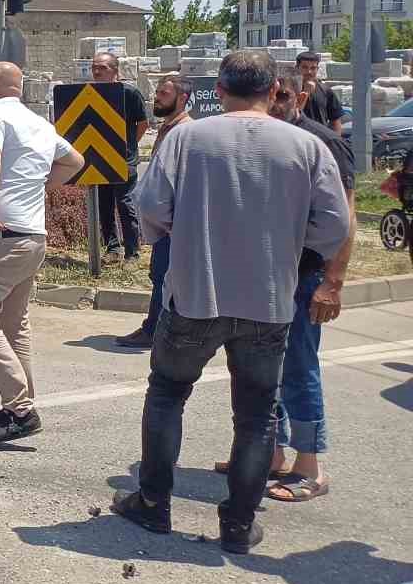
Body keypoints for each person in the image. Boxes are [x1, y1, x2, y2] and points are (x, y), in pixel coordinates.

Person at [111, 51, 350, 555]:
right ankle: (238, 525)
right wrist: (286, 235)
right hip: (268, 300)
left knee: (167, 394)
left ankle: (154, 504)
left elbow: (150, 206)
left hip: (195, 294)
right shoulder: (306, 147)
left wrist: (177, 231)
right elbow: (333, 226)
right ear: (273, 91)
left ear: (218, 91)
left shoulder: (187, 138)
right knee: (258, 414)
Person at [0, 62, 85, 444]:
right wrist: (37, 189)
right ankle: (19, 402)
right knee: (15, 324)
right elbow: (75, 161)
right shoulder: (38, 123)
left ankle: (21, 408)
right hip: (31, 235)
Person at [257, 76, 351, 505]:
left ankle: (309, 464)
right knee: (264, 371)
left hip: (304, 275)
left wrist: (333, 284)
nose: (274, 105)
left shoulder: (322, 143)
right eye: (270, 96)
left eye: (283, 97)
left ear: (302, 97)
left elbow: (345, 219)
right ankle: (272, 454)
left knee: (298, 368)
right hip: (264, 275)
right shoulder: (266, 138)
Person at [115, 75, 194, 349]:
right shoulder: (167, 129)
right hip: (165, 223)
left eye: (163, 93)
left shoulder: (184, 132)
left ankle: (155, 331)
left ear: (182, 98)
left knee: (164, 276)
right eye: (157, 92)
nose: (157, 97)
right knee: (161, 276)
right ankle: (160, 329)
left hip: (173, 223)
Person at [89, 52, 149, 264]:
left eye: (102, 67)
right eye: (94, 67)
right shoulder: (89, 93)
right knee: (103, 205)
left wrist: (127, 147)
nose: (97, 71)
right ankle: (112, 249)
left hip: (124, 160)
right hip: (99, 160)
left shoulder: (130, 93)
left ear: (115, 71)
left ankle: (132, 252)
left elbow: (142, 124)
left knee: (125, 204)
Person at [297, 52, 344, 132]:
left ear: (317, 69)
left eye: (313, 68)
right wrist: (306, 92)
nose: (309, 72)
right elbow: (293, 115)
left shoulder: (326, 91)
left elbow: (335, 120)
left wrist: (334, 141)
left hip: (320, 139)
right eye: (305, 67)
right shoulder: (291, 90)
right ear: (297, 68)